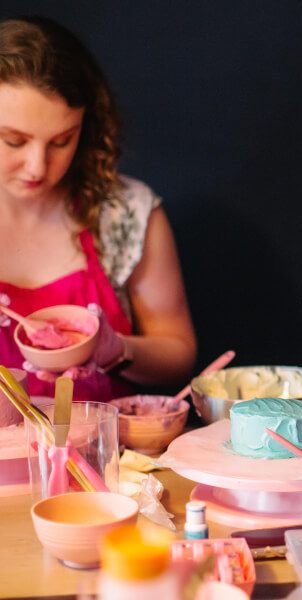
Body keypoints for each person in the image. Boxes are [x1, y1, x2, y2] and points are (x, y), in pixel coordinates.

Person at [0, 16, 196, 402]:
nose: (38, 166)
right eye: (13, 140)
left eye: (61, 140)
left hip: (108, 454)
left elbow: (178, 354)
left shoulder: (126, 213)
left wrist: (116, 350)